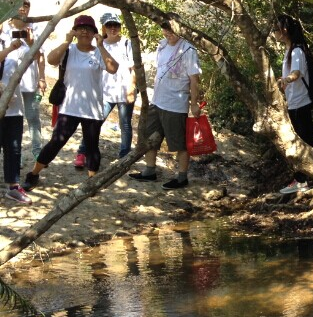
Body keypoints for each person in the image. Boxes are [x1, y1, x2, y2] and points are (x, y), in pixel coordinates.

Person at [22, 14, 119, 191]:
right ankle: (34, 174)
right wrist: (66, 41)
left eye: (88, 29)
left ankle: (91, 182)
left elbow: (113, 68)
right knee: (56, 142)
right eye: (80, 28)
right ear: (74, 31)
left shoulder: (98, 51)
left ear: (94, 33)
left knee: (92, 146)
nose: (84, 32)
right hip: (69, 107)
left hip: (92, 109)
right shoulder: (69, 50)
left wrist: (101, 46)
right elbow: (51, 59)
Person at [128, 21, 202, 190]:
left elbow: (194, 79)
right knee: (150, 137)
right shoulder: (162, 45)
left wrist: (194, 103)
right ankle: (149, 170)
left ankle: (182, 177)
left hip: (175, 104)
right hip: (157, 101)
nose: (168, 33)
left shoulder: (188, 50)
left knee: (178, 142)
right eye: (165, 29)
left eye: (171, 30)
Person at [274, 14, 313, 195]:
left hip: (301, 101)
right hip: (294, 101)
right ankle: (311, 175)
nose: (274, 33)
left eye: (276, 29)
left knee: (305, 139)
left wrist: (285, 80)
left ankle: (309, 176)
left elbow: (296, 74)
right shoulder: (290, 51)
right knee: (305, 138)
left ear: (285, 31)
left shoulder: (296, 51)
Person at [76, 12, 136, 166]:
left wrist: (131, 87)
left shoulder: (127, 43)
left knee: (125, 124)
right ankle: (83, 152)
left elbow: (134, 68)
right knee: (96, 121)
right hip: (105, 91)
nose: (113, 28)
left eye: (116, 25)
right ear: (104, 27)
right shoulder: (98, 45)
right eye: (109, 25)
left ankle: (124, 157)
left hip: (124, 89)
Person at [0, 0, 45, 159]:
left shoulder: (35, 28)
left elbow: (40, 56)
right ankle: (13, 157)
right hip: (6, 83)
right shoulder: (3, 27)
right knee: (8, 121)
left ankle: (37, 151)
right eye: (19, 5)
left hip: (28, 82)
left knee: (32, 116)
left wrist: (42, 77)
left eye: (26, 6)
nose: (23, 9)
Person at [0, 33, 31, 203]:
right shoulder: (10, 47)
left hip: (13, 110)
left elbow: (30, 57)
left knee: (13, 149)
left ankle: (13, 187)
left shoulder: (12, 40)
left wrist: (31, 42)